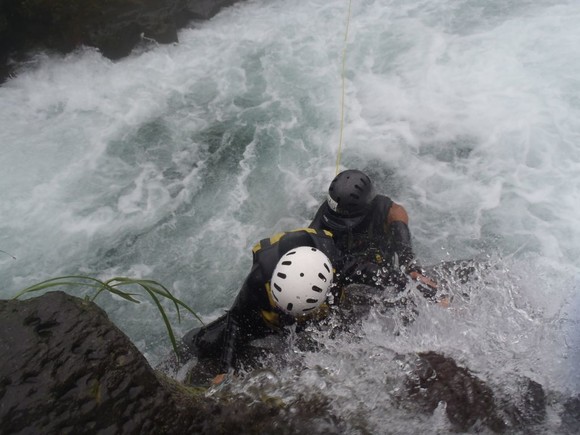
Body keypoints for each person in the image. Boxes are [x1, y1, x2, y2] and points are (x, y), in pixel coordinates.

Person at [179, 228, 343, 385]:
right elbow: (235, 317)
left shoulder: (336, 263)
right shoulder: (260, 277)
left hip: (313, 305)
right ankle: (184, 349)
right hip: (267, 315)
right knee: (209, 341)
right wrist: (226, 369)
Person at [309, 169, 438, 294]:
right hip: (349, 281)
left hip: (386, 277)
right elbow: (342, 265)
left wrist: (409, 264)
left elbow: (398, 214)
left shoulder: (385, 209)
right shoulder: (320, 226)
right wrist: (394, 279)